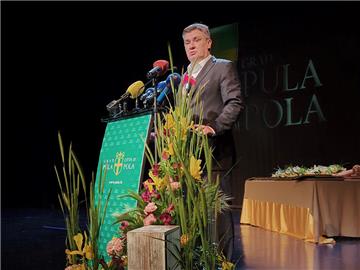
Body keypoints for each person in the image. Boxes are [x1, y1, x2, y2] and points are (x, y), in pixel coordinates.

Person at [182, 22, 244, 261]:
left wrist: (214, 127)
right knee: (195, 215)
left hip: (215, 155)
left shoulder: (222, 67)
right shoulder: (185, 77)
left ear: (209, 42)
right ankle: (199, 261)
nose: (191, 46)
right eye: (187, 42)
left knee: (217, 216)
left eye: (196, 40)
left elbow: (235, 102)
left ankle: (222, 263)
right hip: (189, 157)